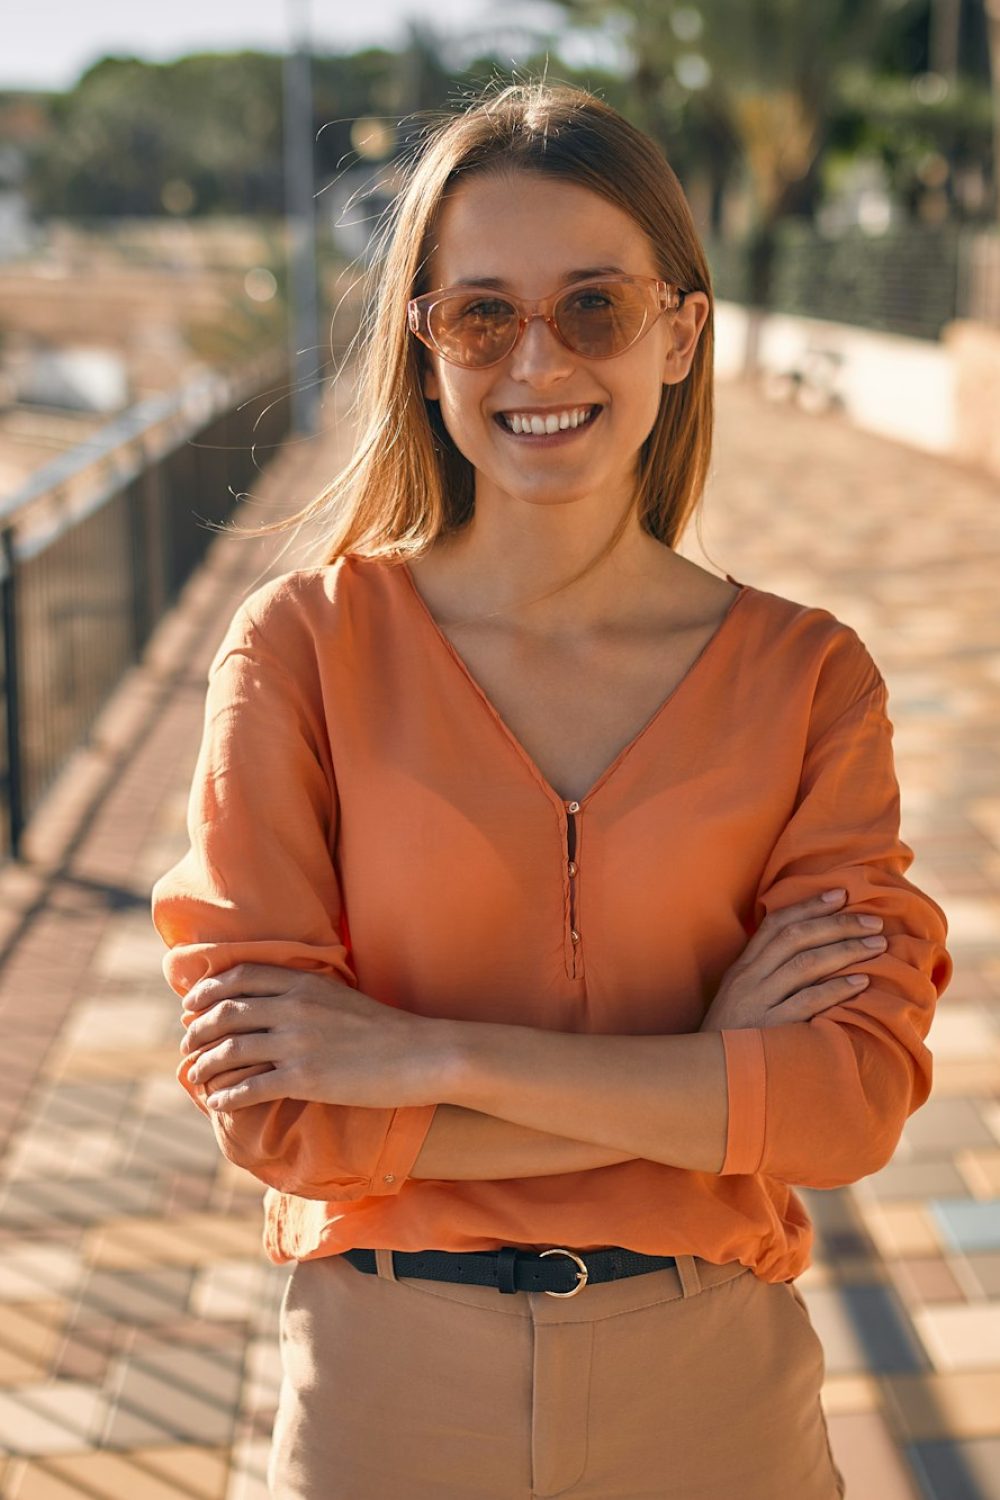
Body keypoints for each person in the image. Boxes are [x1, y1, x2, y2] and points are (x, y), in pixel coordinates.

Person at [150, 80, 952, 1500]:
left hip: (711, 1396)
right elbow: (281, 1117)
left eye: (595, 306)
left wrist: (429, 1060)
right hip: (385, 1394)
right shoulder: (302, 652)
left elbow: (848, 1107)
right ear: (424, 339)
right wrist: (712, 1072)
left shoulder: (810, 679)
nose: (539, 360)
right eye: (483, 314)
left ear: (680, 332)